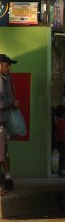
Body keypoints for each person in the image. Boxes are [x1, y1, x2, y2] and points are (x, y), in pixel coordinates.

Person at [0, 53, 19, 193]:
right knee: (2, 154)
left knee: (4, 153)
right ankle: (3, 182)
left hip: (3, 122)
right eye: (7, 65)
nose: (9, 68)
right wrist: (13, 102)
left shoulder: (5, 78)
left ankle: (6, 179)